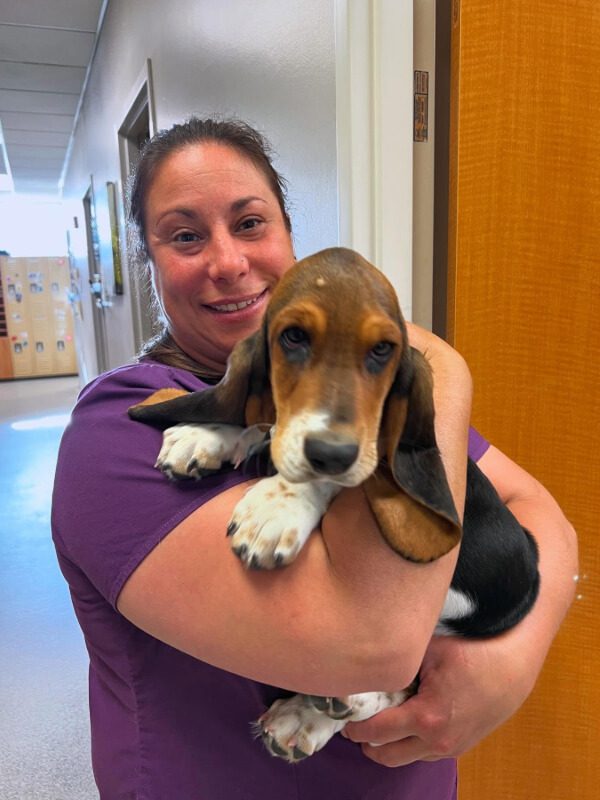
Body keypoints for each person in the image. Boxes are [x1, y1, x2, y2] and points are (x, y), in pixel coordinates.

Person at [52, 117, 577, 799]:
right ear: (147, 262)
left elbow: (542, 518)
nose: (229, 262)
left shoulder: (368, 380)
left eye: (250, 223)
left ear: (288, 236)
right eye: (184, 235)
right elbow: (372, 641)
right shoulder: (114, 438)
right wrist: (445, 363)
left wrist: (512, 656)